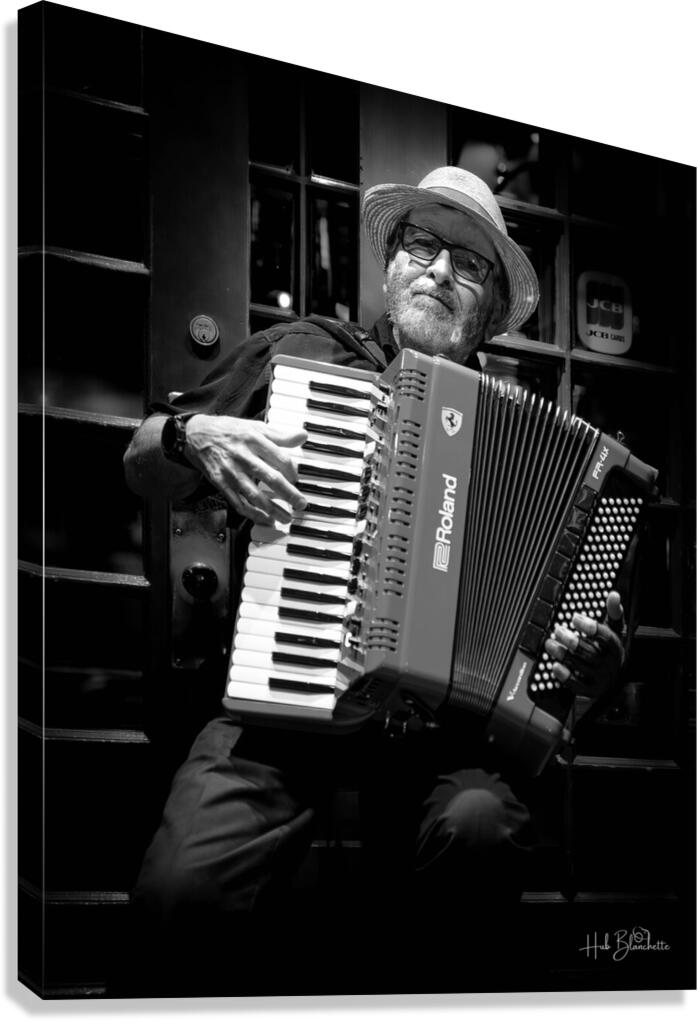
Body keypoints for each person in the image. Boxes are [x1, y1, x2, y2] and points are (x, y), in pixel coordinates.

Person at [122, 167, 629, 996]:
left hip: (436, 737)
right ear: (391, 265)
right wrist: (190, 435)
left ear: (491, 308)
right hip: (287, 699)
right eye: (423, 245)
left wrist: (589, 670)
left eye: (468, 263)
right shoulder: (303, 354)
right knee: (182, 888)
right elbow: (138, 461)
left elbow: (558, 669)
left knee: (481, 827)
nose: (438, 270)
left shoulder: (522, 435)